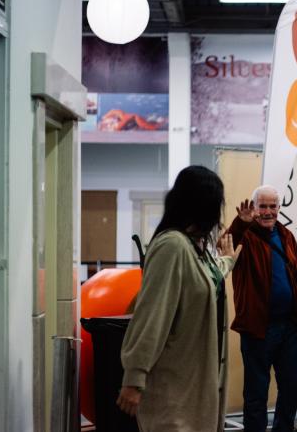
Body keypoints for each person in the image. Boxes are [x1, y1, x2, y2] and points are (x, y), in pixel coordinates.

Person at [117, 165, 241, 431]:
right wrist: (134, 377)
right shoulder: (172, 246)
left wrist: (227, 262)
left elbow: (206, 278)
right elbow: (152, 315)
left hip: (197, 385)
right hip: (173, 389)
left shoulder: (195, 247)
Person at [227, 185, 297, 432]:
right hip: (258, 328)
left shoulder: (286, 235)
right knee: (256, 393)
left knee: (291, 389)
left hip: (291, 328)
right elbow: (226, 246)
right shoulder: (245, 235)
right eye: (263, 206)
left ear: (279, 208)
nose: (268, 211)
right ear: (254, 207)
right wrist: (241, 224)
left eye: (273, 206)